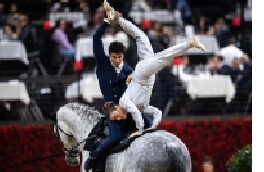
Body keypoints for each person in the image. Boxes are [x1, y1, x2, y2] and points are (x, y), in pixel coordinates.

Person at [102, 1, 206, 133]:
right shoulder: (141, 106)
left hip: (142, 74)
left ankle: (190, 44)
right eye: (117, 119)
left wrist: (140, 131)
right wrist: (153, 127)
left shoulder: (123, 102)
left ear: (116, 108)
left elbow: (136, 114)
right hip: (146, 76)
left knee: (163, 57)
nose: (120, 118)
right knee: (140, 36)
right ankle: (117, 18)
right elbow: (157, 113)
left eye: (116, 116)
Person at [84, 9, 152, 170]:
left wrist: (132, 81)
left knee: (148, 124)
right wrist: (107, 21)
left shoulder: (129, 70)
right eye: (114, 57)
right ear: (110, 56)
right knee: (115, 136)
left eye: (119, 57)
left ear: (123, 55)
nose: (116, 60)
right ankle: (94, 156)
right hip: (112, 110)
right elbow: (95, 38)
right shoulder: (103, 66)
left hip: (127, 109)